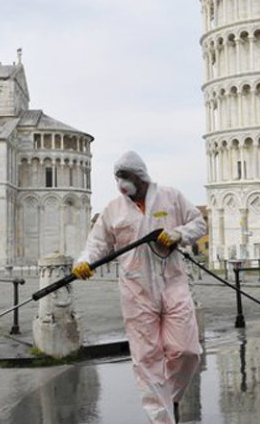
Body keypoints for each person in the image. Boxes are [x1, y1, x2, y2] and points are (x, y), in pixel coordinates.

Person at [72, 151, 206, 424]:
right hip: (136, 289)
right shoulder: (113, 209)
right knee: (147, 359)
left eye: (125, 176)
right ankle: (162, 418)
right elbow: (97, 245)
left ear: (140, 176)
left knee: (187, 351)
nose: (121, 183)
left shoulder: (170, 197)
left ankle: (170, 395)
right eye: (117, 177)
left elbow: (198, 223)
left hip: (173, 282)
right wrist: (85, 261)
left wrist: (179, 234)